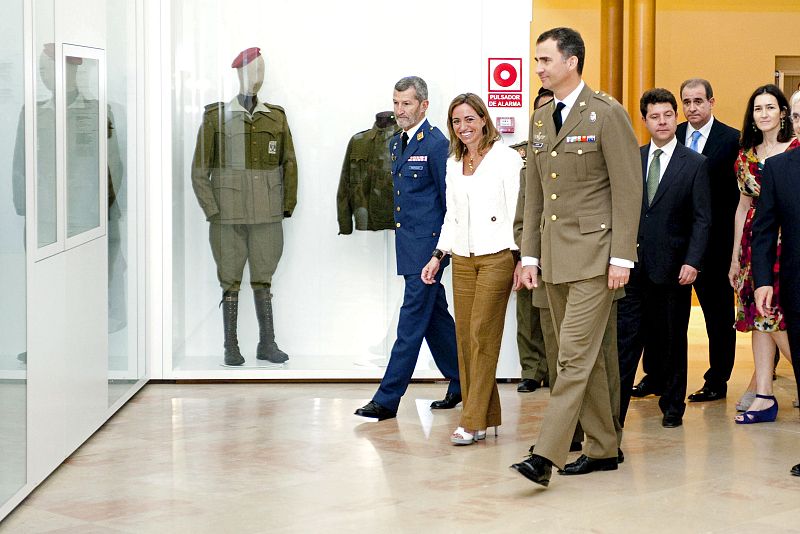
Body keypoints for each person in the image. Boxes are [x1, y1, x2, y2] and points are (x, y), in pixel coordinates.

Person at [510, 27, 641, 487]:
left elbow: (628, 189)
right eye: (537, 60)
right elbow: (535, 194)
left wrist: (622, 257)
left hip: (596, 258)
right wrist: (528, 255)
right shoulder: (542, 117)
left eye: (546, 59)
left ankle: (545, 455)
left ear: (572, 62)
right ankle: (604, 448)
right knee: (589, 356)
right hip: (552, 257)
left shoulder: (607, 114)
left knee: (573, 357)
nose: (539, 68)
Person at [354, 76, 461, 421]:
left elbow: (450, 207)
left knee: (410, 323)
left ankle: (387, 399)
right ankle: (465, 380)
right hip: (409, 248)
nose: (400, 110)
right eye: (397, 103)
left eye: (407, 104)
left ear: (424, 106)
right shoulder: (397, 143)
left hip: (429, 253)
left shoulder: (435, 145)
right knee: (436, 321)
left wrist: (439, 254)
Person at [421, 93, 520, 444]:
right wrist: (438, 255)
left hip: (497, 256)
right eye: (456, 122)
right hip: (461, 258)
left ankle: (471, 420)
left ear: (483, 119)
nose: (463, 128)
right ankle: (487, 415)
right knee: (465, 338)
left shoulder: (507, 159)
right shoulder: (453, 161)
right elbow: (452, 216)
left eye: (469, 119)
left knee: (482, 334)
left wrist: (520, 259)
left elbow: (516, 214)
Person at [191, 47, 297, 366]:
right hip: (228, 216)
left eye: (262, 69)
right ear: (239, 74)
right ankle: (230, 346)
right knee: (230, 279)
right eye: (253, 70)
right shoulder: (216, 117)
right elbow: (199, 170)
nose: (258, 76)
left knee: (264, 278)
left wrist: (286, 205)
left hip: (267, 214)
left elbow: (288, 163)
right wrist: (213, 211)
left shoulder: (276, 116)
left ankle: (267, 344)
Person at [617, 88, 711, 429]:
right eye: (654, 116)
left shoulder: (695, 163)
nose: (662, 122)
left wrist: (693, 261)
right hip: (633, 267)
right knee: (625, 342)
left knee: (672, 339)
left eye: (668, 115)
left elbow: (702, 218)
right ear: (645, 121)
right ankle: (616, 410)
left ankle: (673, 406)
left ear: (676, 117)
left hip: (674, 269)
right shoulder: (633, 158)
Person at [729, 84, 799, 424]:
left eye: (771, 107)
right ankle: (763, 394)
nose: (765, 114)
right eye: (758, 109)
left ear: (783, 113)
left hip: (790, 242)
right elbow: (742, 208)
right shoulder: (746, 155)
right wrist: (733, 257)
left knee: (777, 317)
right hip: (755, 243)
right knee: (760, 317)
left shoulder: (796, 148)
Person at [752, 89, 800, 476]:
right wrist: (763, 280)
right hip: (796, 286)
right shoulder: (780, 169)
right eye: (798, 116)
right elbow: (765, 230)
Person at [515, 88, 554, 393]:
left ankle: (555, 371)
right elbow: (521, 212)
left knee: (555, 319)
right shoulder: (522, 155)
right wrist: (524, 253)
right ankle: (531, 369)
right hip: (531, 249)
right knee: (528, 316)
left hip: (562, 250)